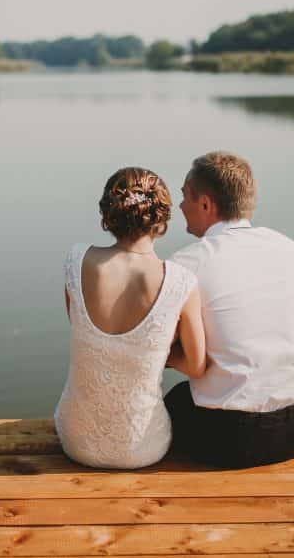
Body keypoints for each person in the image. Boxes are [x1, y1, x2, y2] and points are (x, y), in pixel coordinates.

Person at [165, 151, 294, 468]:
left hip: (230, 438)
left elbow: (162, 342)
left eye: (185, 197)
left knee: (173, 402)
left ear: (206, 204)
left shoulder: (187, 264)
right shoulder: (290, 249)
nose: (179, 207)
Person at [55, 167, 207, 469]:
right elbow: (196, 365)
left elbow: (80, 326)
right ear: (161, 221)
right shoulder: (180, 282)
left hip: (75, 439)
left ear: (108, 215)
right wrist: (156, 352)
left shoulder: (76, 260)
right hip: (143, 448)